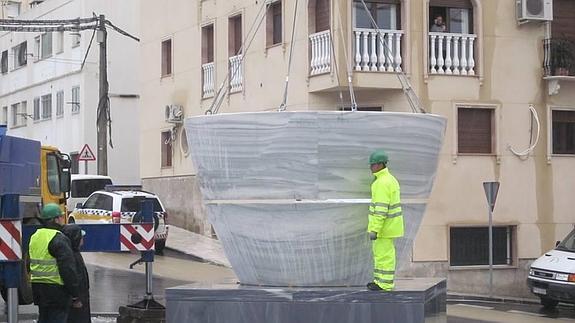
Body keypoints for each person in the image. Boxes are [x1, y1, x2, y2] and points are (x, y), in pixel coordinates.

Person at [29, 203, 81, 323]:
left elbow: (30, 263)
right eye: (61, 217)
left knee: (43, 318)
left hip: (38, 288)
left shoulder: (35, 236)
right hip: (57, 291)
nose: (63, 219)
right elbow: (67, 269)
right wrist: (75, 294)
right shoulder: (58, 238)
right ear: (55, 219)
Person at [366, 150, 404, 291]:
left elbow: (381, 209)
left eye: (373, 165)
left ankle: (385, 284)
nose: (371, 167)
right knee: (381, 255)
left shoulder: (382, 183)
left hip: (384, 228)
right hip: (388, 227)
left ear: (381, 165)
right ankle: (379, 281)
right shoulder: (389, 179)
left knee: (384, 256)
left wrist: (375, 229)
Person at [62, 224, 91, 323]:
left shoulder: (73, 253)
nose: (83, 240)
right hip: (77, 300)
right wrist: (76, 298)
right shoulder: (71, 256)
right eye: (81, 237)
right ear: (75, 238)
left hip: (81, 298)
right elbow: (73, 277)